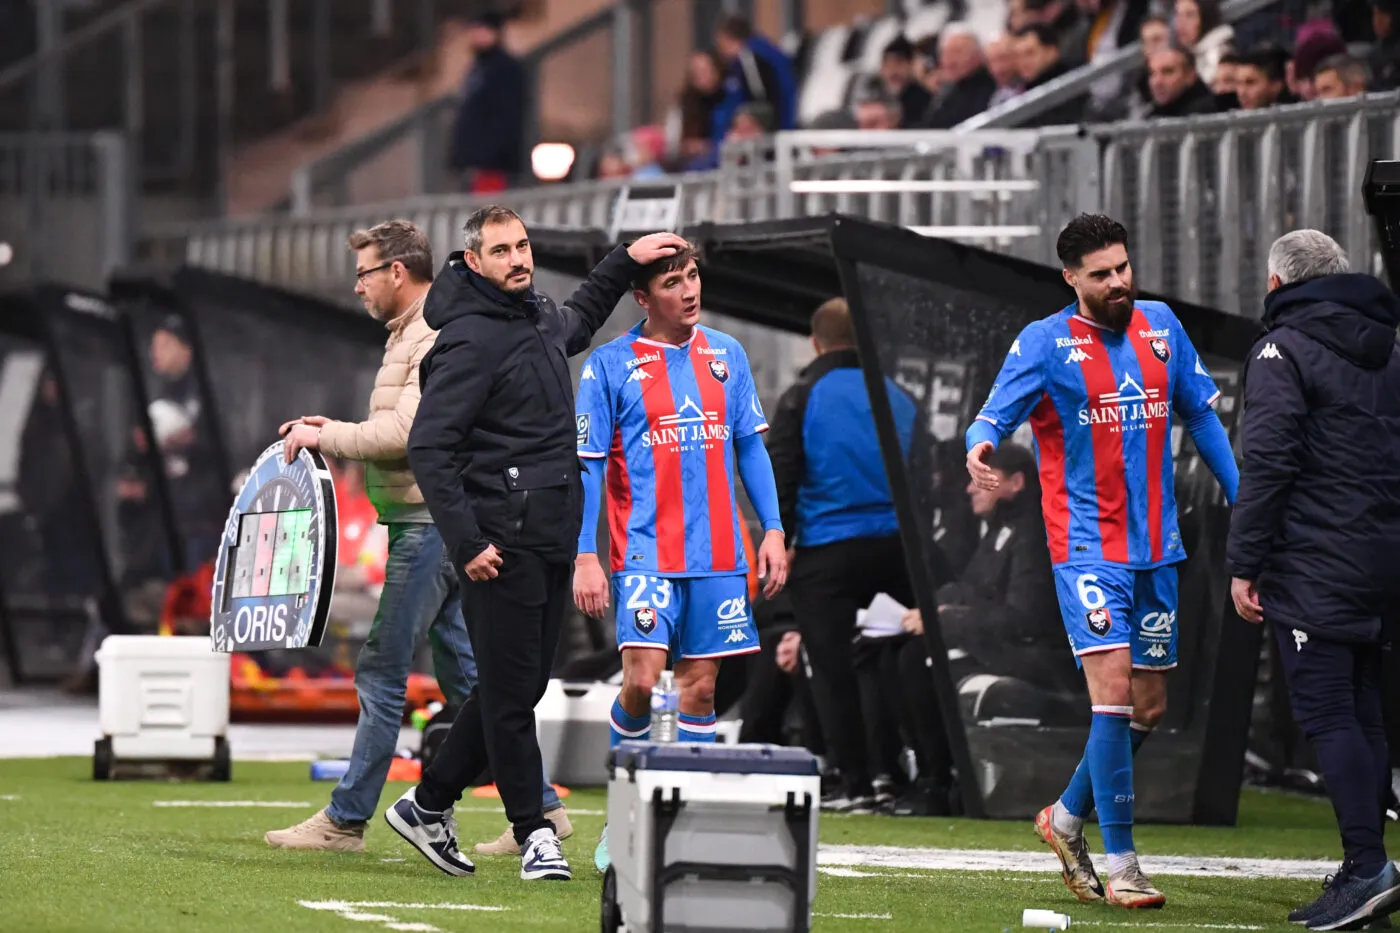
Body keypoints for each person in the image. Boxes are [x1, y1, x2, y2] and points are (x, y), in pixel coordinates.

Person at [384, 206, 686, 883]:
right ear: (473, 261)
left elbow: (579, 318)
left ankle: (427, 804)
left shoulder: (536, 315)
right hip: (499, 545)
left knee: (510, 689)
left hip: (547, 536)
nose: (518, 258)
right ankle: (534, 832)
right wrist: (467, 542)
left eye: (522, 246)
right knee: (512, 698)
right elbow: (429, 447)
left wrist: (625, 260)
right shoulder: (467, 339)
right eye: (502, 250)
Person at [267, 221, 575, 851]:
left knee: (383, 667)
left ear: (397, 272)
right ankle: (541, 807)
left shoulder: (435, 331)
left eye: (364, 273)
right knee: (477, 678)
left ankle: (347, 819)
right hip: (444, 523)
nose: (358, 287)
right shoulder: (416, 331)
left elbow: (411, 436)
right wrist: (338, 427)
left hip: (433, 524)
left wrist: (325, 436)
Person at [966, 213, 1239, 909]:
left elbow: (1200, 416)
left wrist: (1245, 498)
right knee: (1112, 695)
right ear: (1071, 279)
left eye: (1123, 267)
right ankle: (1124, 865)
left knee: (1148, 706)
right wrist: (980, 445)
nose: (1118, 282)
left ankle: (1063, 818)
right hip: (1087, 547)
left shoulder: (1161, 326)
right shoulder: (1045, 342)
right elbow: (991, 416)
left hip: (1158, 548)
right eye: (1101, 274)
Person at [572, 242, 789, 872]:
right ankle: (623, 816)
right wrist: (586, 555)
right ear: (642, 297)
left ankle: (681, 823)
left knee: (699, 689)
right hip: (643, 552)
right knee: (643, 681)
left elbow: (750, 447)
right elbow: (589, 468)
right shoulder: (609, 365)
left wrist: (774, 529)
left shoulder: (728, 355)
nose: (689, 290)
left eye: (692, 276)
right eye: (672, 282)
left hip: (719, 554)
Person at [1227, 229, 1400, 931]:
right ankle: (1367, 870)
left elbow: (1268, 462)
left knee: (1329, 712)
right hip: (1381, 559)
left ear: (1277, 284)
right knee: (1363, 710)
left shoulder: (1283, 349)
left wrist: (1244, 563)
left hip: (1315, 560)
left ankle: (1367, 867)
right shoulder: (1391, 346)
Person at [766, 297, 916, 810]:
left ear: (816, 343)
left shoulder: (803, 395)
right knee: (888, 660)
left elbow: (781, 475)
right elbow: (926, 473)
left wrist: (780, 540)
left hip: (827, 551)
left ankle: (854, 780)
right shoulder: (899, 396)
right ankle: (896, 774)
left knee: (831, 668)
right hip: (897, 551)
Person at [448, 11, 525, 194]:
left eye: (481, 30)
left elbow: (507, 117)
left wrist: (489, 155)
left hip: (493, 166)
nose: (476, 35)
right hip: (474, 163)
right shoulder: (478, 68)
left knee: (490, 209)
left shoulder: (505, 69)